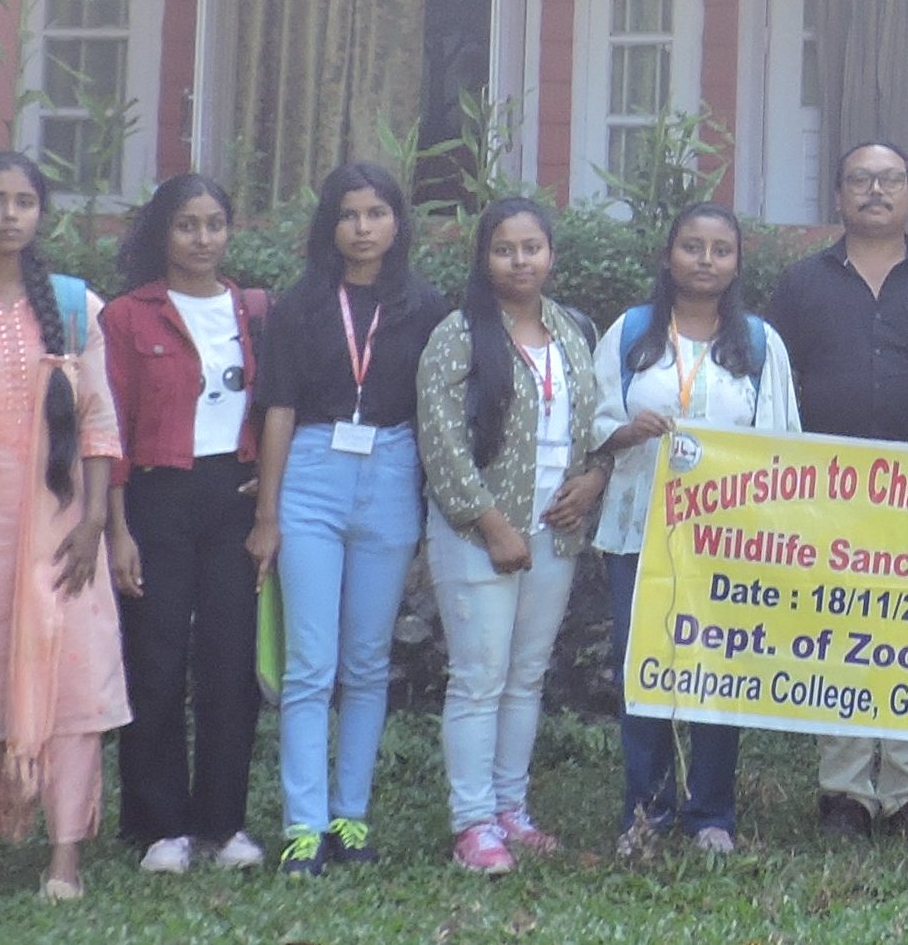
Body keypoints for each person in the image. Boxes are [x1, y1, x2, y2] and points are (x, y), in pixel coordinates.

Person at [770, 140, 908, 838]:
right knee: (838, 634)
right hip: (826, 492)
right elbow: (778, 382)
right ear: (837, 195)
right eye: (859, 179)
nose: (874, 190)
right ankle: (845, 793)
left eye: (889, 179)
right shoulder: (801, 283)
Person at [0, 153, 125, 903]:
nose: (10, 215)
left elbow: (99, 420)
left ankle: (64, 855)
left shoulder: (76, 307)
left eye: (24, 201)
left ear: (42, 213)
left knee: (72, 678)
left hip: (61, 523)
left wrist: (95, 519)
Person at [248, 162, 446, 874]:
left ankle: (350, 817)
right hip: (311, 472)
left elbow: (436, 417)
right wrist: (267, 515)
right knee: (311, 663)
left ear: (397, 222)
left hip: (392, 469)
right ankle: (304, 825)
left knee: (366, 662)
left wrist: (430, 514)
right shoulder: (299, 305)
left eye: (376, 213)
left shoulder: (425, 307)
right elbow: (278, 409)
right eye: (348, 215)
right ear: (329, 225)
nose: (363, 228)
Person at [594, 203, 797, 856]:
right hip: (640, 528)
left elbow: (783, 442)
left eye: (720, 250)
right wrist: (625, 431)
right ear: (667, 255)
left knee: (719, 667)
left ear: (737, 263)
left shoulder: (759, 343)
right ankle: (645, 811)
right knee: (643, 667)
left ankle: (711, 811)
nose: (705, 260)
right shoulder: (631, 333)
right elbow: (592, 419)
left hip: (728, 538)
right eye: (691, 246)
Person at [416, 199, 610, 874]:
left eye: (532, 248)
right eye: (504, 249)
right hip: (478, 533)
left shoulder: (572, 329)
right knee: (478, 678)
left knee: (526, 678)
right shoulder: (458, 334)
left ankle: (510, 811)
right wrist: (491, 523)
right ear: (483, 257)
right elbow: (441, 442)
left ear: (551, 255)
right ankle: (472, 823)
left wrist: (593, 479)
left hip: (555, 531)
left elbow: (593, 423)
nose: (520, 261)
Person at [95, 174, 263, 878]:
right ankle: (159, 824)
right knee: (156, 658)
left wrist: (268, 492)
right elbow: (109, 427)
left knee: (230, 662)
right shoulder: (128, 316)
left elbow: (279, 405)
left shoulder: (254, 309)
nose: (202, 238)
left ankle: (223, 823)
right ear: (162, 232)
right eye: (187, 224)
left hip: (234, 493)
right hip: (156, 494)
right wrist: (117, 529)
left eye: (214, 223)